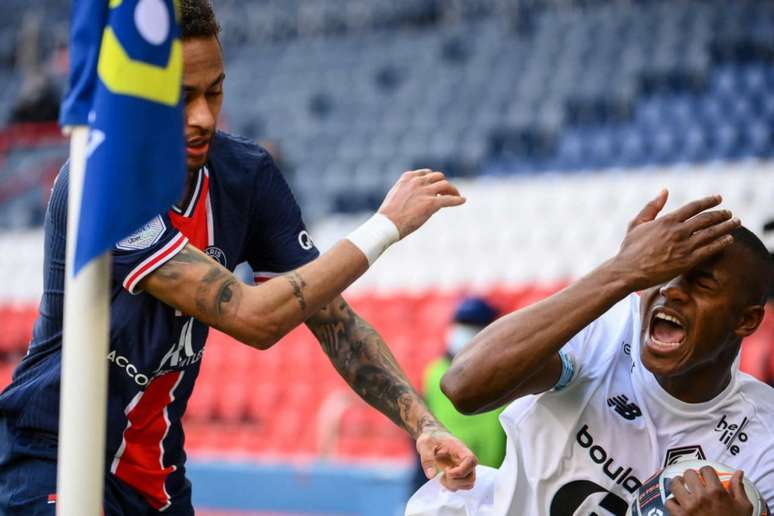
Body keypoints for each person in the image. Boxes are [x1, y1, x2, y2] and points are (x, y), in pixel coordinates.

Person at [0, 2, 477, 514]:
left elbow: (338, 324)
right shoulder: (102, 182)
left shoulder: (246, 176)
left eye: (214, 91)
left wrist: (423, 425)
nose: (203, 116)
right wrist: (385, 227)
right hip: (51, 455)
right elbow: (253, 318)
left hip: (156, 479)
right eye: (179, 99)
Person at [406, 191, 774, 515]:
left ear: (746, 320)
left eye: (703, 284)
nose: (671, 291)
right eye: (663, 273)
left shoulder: (764, 437)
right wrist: (621, 272)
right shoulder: (606, 329)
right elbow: (463, 385)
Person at [412, 297, 504, 492]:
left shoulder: (507, 375)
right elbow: (420, 431)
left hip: (495, 484)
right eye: (462, 324)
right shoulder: (433, 372)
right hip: (446, 483)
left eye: (472, 325)